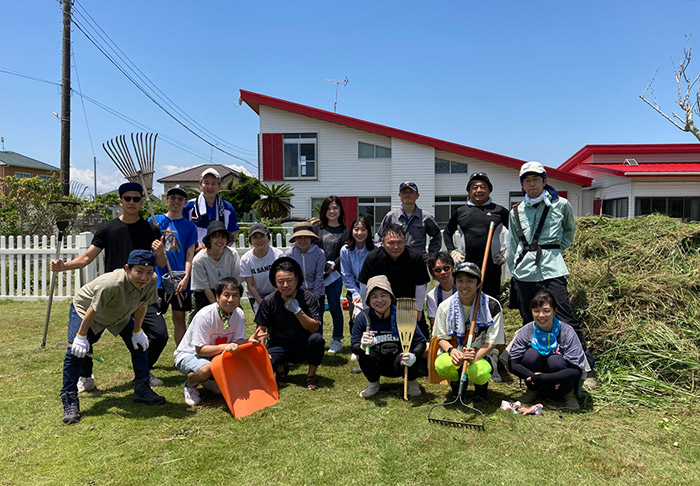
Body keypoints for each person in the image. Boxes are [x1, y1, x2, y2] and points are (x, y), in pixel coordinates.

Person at [51, 181, 168, 392]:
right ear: (120, 201)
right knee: (83, 337)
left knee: (159, 335)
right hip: (111, 295)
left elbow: (160, 264)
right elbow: (87, 257)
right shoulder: (108, 228)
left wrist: (160, 252)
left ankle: (144, 372)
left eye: (136, 199)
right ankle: (85, 376)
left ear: (142, 201)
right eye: (127, 199)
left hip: (140, 293)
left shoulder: (150, 229)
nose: (132, 202)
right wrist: (64, 266)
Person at [59, 250, 166, 425]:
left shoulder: (151, 280)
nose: (144, 277)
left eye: (148, 272)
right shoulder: (111, 284)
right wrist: (81, 336)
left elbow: (143, 304)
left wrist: (137, 331)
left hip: (120, 312)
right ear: (127, 268)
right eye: (139, 271)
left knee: (140, 346)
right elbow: (93, 309)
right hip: (86, 310)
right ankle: (70, 399)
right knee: (75, 352)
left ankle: (142, 389)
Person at [506, 161, 590, 355]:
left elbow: (569, 233)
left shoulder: (561, 205)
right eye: (527, 180)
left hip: (552, 269)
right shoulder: (516, 211)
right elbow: (512, 244)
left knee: (565, 317)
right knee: (529, 319)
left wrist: (553, 251)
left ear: (545, 181)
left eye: (536, 179)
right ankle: (535, 360)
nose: (532, 184)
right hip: (524, 272)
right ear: (522, 185)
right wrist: (514, 270)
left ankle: (584, 364)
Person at [174, 277, 266, 406]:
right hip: (189, 355)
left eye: (235, 296)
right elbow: (200, 350)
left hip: (216, 355)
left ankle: (209, 380)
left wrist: (248, 341)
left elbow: (236, 342)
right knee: (206, 369)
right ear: (217, 297)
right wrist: (225, 346)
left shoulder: (238, 313)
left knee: (220, 388)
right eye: (226, 295)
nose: (230, 300)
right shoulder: (205, 315)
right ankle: (190, 384)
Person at [432, 262, 505, 403]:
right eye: (460, 281)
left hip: (481, 353)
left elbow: (492, 342)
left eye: (470, 281)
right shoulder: (445, 306)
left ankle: (481, 391)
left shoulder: (492, 306)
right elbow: (441, 338)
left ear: (478, 284)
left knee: (480, 370)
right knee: (443, 365)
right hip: (454, 350)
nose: (464, 286)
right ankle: (457, 390)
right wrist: (453, 352)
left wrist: (475, 356)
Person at [254, 257, 325, 390]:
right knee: (267, 366)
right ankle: (281, 366)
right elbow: (261, 328)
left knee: (317, 340)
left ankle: (311, 375)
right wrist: (261, 350)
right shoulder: (268, 301)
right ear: (275, 282)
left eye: (289, 280)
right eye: (281, 281)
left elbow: (314, 327)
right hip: (279, 344)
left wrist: (297, 311)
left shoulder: (309, 298)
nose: (285, 285)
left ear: (297, 279)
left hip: (303, 343)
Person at [350, 276, 426, 398]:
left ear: (391, 297)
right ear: (368, 300)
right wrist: (362, 346)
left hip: (399, 362)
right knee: (366, 355)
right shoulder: (363, 318)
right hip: (377, 363)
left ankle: (412, 382)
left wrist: (414, 355)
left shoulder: (403, 315)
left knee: (406, 355)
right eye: (374, 296)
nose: (379, 300)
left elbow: (420, 342)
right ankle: (373, 384)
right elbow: (353, 345)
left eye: (383, 295)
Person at [508, 290, 585, 411]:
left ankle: (569, 395)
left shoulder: (567, 331)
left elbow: (576, 370)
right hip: (535, 380)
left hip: (558, 378)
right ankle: (533, 392)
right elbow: (513, 363)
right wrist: (533, 377)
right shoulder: (526, 330)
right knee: (531, 354)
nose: (541, 315)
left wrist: (545, 378)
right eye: (536, 311)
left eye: (546, 311)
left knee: (555, 360)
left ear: (554, 311)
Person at [359, 223, 431, 341]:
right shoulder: (373, 258)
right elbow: (363, 284)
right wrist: (368, 309)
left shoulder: (415, 257)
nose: (396, 247)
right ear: (382, 242)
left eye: (399, 242)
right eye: (391, 243)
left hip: (408, 304)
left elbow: (421, 284)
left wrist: (418, 309)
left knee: (422, 336)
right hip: (381, 304)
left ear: (405, 241)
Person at [443, 172, 510, 299]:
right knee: (467, 300)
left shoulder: (499, 211)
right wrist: (452, 252)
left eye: (483, 186)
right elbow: (447, 232)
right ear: (469, 191)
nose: (479, 190)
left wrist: (507, 252)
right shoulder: (460, 212)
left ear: (489, 190)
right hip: (467, 266)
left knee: (490, 301)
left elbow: (516, 233)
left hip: (491, 267)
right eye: (474, 187)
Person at [149, 185, 198, 345]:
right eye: (173, 198)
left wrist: (186, 277)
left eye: (180, 199)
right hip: (158, 278)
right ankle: (149, 352)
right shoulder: (155, 221)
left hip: (179, 279)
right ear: (166, 200)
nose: (176, 201)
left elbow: (190, 254)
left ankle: (181, 354)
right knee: (154, 317)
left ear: (185, 202)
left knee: (179, 317)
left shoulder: (190, 226)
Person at [313, 196, 350, 354]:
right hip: (318, 276)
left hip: (335, 276)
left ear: (340, 210)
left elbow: (345, 254)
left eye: (335, 208)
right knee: (317, 308)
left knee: (335, 307)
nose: (332, 211)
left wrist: (333, 265)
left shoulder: (345, 231)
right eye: (329, 208)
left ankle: (337, 340)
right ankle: (318, 339)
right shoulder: (317, 229)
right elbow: (312, 250)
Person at [340, 215, 375, 370]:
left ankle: (371, 346)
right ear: (351, 231)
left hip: (373, 290)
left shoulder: (375, 249)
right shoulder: (346, 250)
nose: (359, 232)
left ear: (368, 231)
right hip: (354, 290)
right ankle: (356, 346)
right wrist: (355, 294)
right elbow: (346, 274)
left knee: (372, 319)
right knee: (355, 318)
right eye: (356, 229)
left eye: (363, 229)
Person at [377, 181, 441, 262]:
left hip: (417, 262)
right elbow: (380, 237)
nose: (407, 195)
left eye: (411, 192)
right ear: (399, 196)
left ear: (417, 196)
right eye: (404, 192)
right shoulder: (391, 216)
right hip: (393, 261)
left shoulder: (426, 217)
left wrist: (432, 255)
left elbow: (437, 236)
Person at [191, 221, 241, 316]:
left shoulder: (232, 254)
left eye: (223, 237)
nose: (220, 240)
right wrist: (218, 308)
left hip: (228, 292)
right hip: (205, 295)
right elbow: (204, 287)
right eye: (215, 236)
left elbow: (236, 281)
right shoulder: (199, 259)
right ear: (209, 239)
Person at [285, 222, 326, 331]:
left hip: (316, 291)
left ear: (311, 238)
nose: (303, 241)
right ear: (295, 239)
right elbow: (290, 276)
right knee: (298, 320)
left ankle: (317, 343)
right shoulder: (289, 254)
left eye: (306, 237)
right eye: (299, 238)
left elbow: (319, 276)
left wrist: (316, 297)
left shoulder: (319, 253)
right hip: (298, 292)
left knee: (317, 320)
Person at [184, 168, 239, 246]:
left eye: (213, 183)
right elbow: (183, 231)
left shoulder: (227, 208)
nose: (210, 187)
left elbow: (232, 235)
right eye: (206, 183)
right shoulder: (189, 206)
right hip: (195, 252)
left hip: (219, 254)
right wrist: (195, 244)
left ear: (219, 186)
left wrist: (220, 250)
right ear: (200, 185)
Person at [240, 223, 284, 314]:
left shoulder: (278, 255)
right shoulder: (245, 259)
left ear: (268, 238)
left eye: (262, 236)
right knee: (261, 322)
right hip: (256, 295)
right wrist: (261, 302)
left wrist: (272, 300)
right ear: (251, 241)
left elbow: (281, 280)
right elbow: (250, 285)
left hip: (276, 292)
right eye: (255, 237)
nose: (259, 240)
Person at [426, 252, 456, 329]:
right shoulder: (432, 296)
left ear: (452, 268)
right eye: (438, 270)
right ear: (433, 273)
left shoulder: (463, 289)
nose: (443, 272)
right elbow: (434, 325)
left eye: (446, 268)